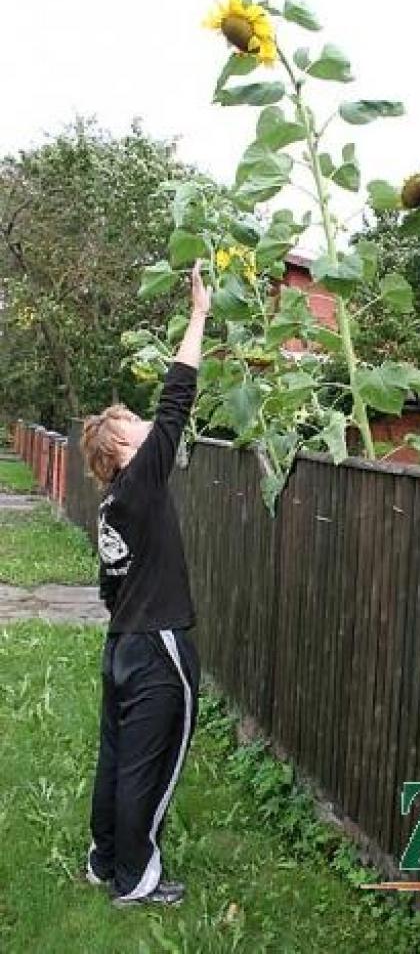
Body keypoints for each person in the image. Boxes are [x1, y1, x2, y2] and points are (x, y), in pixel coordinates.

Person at [79, 260, 212, 907]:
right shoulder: (138, 480)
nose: (147, 424)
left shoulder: (111, 503)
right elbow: (177, 395)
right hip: (157, 647)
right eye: (136, 422)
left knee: (116, 758)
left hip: (121, 646)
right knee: (149, 766)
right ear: (125, 446)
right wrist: (198, 314)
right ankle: (136, 878)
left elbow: (108, 585)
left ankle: (105, 859)